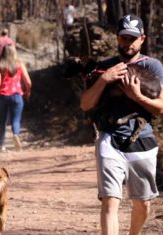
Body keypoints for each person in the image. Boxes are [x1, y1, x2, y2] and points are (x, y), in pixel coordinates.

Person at [80, 14, 163, 235]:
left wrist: (137, 97)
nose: (128, 43)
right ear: (117, 38)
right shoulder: (105, 67)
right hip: (109, 139)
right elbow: (86, 104)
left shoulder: (153, 66)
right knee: (109, 201)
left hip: (141, 140)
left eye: (133, 38)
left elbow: (161, 107)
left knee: (143, 203)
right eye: (124, 37)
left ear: (142, 39)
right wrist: (104, 79)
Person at [0, 44, 32, 152]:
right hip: (17, 96)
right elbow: (28, 82)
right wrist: (27, 92)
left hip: (3, 96)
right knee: (16, 120)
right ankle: (15, 134)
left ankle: (2, 145)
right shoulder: (19, 64)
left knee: (2, 121)